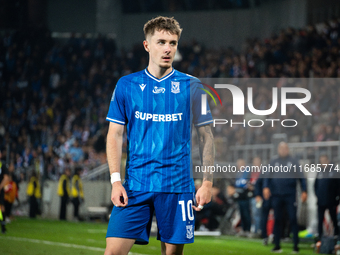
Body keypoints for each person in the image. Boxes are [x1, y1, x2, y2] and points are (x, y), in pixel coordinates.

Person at [104, 16, 215, 255]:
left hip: (177, 186)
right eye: (161, 42)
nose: (167, 48)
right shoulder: (126, 85)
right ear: (147, 45)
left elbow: (207, 137)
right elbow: (114, 134)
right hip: (135, 185)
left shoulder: (194, 86)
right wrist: (115, 180)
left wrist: (207, 182)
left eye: (172, 43)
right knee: (112, 252)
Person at [263, 142, 307, 253]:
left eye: (285, 148)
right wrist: (266, 187)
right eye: (281, 148)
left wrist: (304, 191)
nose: (283, 150)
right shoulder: (273, 161)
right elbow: (267, 176)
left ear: (288, 149)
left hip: (290, 195)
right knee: (277, 220)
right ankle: (277, 245)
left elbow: (302, 177)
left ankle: (296, 246)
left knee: (293, 219)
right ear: (278, 149)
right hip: (276, 195)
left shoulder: (293, 162)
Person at [314, 155, 340, 240]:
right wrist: (317, 195)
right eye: (321, 161)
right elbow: (315, 185)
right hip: (321, 200)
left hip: (331, 200)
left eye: (324, 161)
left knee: (333, 218)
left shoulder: (334, 171)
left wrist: (337, 198)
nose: (323, 163)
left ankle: (337, 234)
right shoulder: (319, 171)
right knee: (320, 219)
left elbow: (338, 185)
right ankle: (320, 235)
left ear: (328, 161)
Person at [0, 150, 9, 233]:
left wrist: (0, 187)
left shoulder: (2, 165)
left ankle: (3, 226)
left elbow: (6, 178)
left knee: (1, 207)